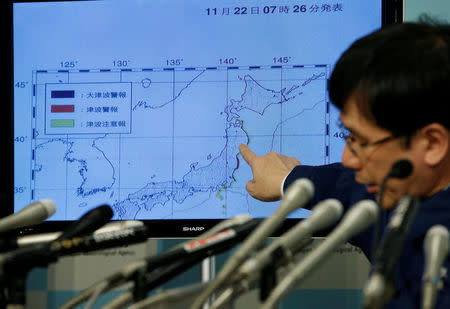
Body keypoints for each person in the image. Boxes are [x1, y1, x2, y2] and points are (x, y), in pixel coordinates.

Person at [239, 21, 450, 308]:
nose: (348, 158)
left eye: (361, 140)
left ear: (433, 144)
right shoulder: (394, 192)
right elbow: (344, 186)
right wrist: (288, 179)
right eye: (348, 136)